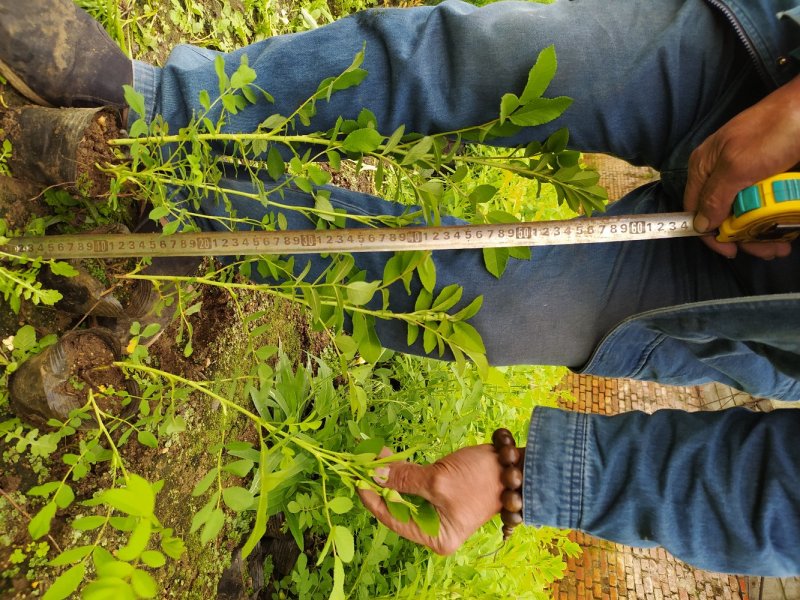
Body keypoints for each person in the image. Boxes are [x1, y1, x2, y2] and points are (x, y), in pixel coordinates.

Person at [2, 0, 800, 576]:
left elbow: (781, 498)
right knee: (489, 66)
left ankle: (178, 215)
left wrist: (533, 477)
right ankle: (162, 110)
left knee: (486, 308)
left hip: (744, 307)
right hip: (765, 68)